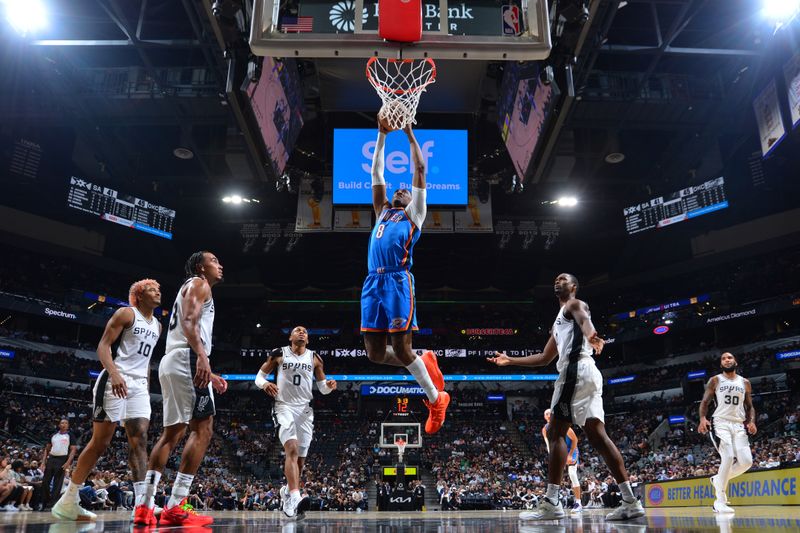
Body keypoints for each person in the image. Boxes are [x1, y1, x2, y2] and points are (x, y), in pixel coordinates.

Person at [488, 273, 645, 521]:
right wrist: (510, 360)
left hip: (574, 372)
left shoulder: (574, 304)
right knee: (598, 436)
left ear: (573, 286)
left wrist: (592, 336)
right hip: (588, 374)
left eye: (563, 279)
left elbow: (585, 319)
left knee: (555, 432)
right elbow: (544, 358)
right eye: (555, 279)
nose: (557, 281)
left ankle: (552, 502)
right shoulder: (559, 321)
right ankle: (630, 501)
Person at [361, 119, 449, 434]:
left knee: (400, 349)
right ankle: (423, 360)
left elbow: (420, 171)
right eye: (398, 189)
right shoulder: (382, 210)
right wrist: (382, 135)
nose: (400, 188)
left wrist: (411, 133)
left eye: (404, 189)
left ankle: (436, 398)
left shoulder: (415, 214)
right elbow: (376, 173)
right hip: (372, 282)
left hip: (398, 282)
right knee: (373, 354)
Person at [52, 279, 162, 522]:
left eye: (159, 289)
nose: (158, 292)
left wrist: (145, 385)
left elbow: (145, 362)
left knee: (140, 438)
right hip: (114, 379)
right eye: (153, 289)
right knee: (101, 442)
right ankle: (69, 500)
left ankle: (142, 505)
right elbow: (103, 346)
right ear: (140, 295)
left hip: (139, 386)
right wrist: (114, 373)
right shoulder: (126, 313)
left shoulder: (158, 326)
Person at [135, 251, 228, 527]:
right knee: (204, 428)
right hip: (187, 356)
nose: (219, 265)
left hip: (173, 359)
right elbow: (189, 322)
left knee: (172, 432)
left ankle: (145, 506)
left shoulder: (189, 287)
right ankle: (176, 504)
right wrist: (202, 357)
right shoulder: (200, 284)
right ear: (201, 267)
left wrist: (208, 371)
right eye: (214, 261)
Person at [255, 325, 337, 518]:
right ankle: (295, 497)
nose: (301, 332)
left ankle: (287, 491)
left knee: (300, 460)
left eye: (305, 331)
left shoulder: (315, 358)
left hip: (305, 411)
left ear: (307, 339)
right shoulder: (278, 353)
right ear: (290, 336)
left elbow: (322, 388)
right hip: (283, 406)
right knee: (291, 448)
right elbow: (259, 376)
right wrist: (265, 383)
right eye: (297, 330)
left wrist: (330, 386)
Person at [698, 352, 756, 514]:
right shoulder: (716, 380)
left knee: (746, 462)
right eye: (723, 358)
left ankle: (718, 480)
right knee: (728, 456)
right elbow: (705, 402)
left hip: (738, 425)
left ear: (735, 361)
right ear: (721, 364)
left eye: (729, 357)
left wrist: (751, 421)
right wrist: (703, 418)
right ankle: (720, 501)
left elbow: (750, 406)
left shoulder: (745, 382)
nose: (727, 360)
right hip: (720, 422)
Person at [542, 408, 582, 512]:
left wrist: (569, 455)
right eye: (547, 413)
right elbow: (548, 445)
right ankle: (554, 501)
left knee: (572, 474)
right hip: (559, 450)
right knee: (555, 475)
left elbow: (575, 440)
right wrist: (552, 454)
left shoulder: (563, 425)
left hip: (571, 450)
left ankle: (578, 503)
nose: (549, 415)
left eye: (550, 413)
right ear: (545, 417)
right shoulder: (545, 429)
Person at [41, 419, 78, 511]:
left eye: (66, 423)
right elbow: (47, 449)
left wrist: (68, 462)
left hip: (62, 459)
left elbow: (73, 450)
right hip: (51, 458)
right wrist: (43, 462)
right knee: (45, 482)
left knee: (57, 483)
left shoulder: (70, 435)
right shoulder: (53, 435)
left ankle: (52, 504)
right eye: (62, 423)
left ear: (68, 425)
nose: (64, 424)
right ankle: (44, 502)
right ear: (59, 425)